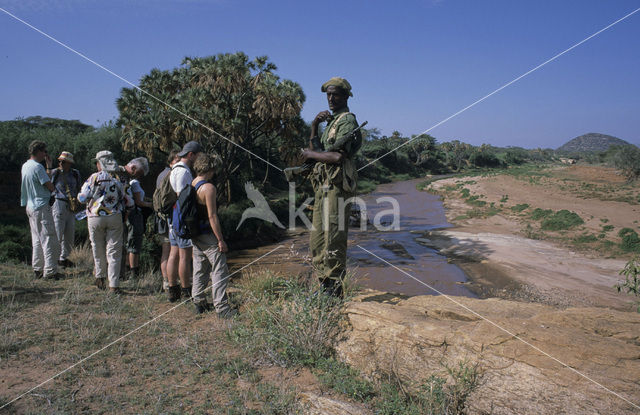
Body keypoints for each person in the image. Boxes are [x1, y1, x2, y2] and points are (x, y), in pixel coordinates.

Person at [302, 77, 362, 297]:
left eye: (335, 94)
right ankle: (323, 284)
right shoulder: (331, 123)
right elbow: (318, 151)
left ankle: (334, 289)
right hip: (322, 185)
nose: (330, 98)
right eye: (328, 94)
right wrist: (314, 126)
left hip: (337, 186)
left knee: (334, 237)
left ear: (346, 96)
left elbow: (337, 156)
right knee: (317, 238)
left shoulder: (347, 121)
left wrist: (310, 154)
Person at [78, 151, 133, 294]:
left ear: (100, 163)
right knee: (114, 251)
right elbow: (129, 200)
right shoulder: (119, 178)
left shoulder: (94, 177)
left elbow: (82, 197)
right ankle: (114, 285)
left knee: (97, 247)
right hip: (114, 216)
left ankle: (100, 277)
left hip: (94, 217)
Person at [190, 153, 237, 318]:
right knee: (219, 269)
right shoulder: (208, 188)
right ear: (210, 168)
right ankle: (222, 308)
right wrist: (220, 240)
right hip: (207, 234)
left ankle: (199, 301)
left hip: (194, 233)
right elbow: (212, 216)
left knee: (200, 268)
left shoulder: (192, 183)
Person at [20, 140, 62, 280]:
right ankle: (50, 271)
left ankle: (37, 269)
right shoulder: (38, 167)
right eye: (44, 151)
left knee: (37, 239)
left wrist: (48, 166)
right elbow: (49, 184)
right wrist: (48, 169)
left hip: (30, 206)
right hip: (41, 205)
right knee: (49, 238)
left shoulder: (25, 166)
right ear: (38, 151)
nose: (45, 154)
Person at [166, 140, 202, 302]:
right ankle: (186, 290)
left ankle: (173, 289)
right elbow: (183, 198)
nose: (198, 160)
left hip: (173, 217)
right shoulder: (183, 172)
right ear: (190, 155)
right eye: (197, 156)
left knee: (174, 254)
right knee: (184, 256)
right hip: (181, 218)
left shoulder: (174, 169)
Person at [50, 151, 81, 268]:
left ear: (69, 163)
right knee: (58, 232)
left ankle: (65, 258)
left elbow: (79, 187)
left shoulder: (75, 174)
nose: (61, 163)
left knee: (69, 234)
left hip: (71, 204)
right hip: (59, 202)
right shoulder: (55, 172)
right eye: (60, 161)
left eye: (63, 161)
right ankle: (54, 259)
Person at [123, 157, 151, 278]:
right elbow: (139, 201)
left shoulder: (129, 181)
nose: (139, 177)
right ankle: (134, 271)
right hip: (134, 215)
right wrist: (151, 204)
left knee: (128, 242)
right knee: (134, 242)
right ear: (134, 168)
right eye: (139, 173)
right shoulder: (134, 183)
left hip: (127, 214)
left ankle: (127, 269)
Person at [156, 150, 180, 292]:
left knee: (167, 250)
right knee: (171, 250)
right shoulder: (172, 174)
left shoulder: (161, 175)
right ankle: (171, 283)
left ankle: (166, 282)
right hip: (170, 217)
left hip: (161, 217)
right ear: (171, 161)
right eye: (177, 160)